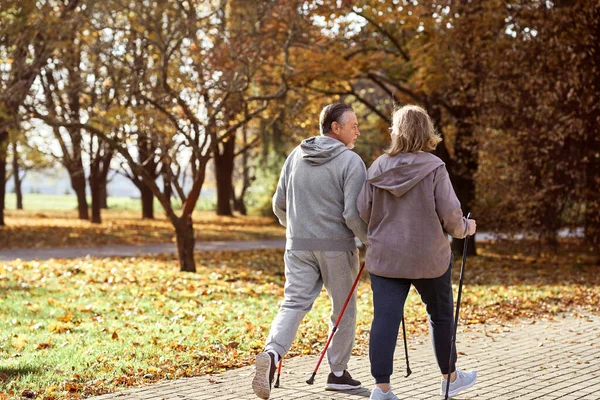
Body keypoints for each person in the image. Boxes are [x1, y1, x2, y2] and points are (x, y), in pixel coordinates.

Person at [357, 105, 478, 400]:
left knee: (385, 318)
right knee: (440, 316)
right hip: (429, 259)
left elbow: (363, 210)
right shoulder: (434, 167)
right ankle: (450, 378)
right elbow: (451, 216)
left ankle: (381, 389)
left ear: (396, 132)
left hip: (386, 258)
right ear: (427, 132)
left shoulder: (378, 167)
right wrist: (466, 228)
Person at [251, 103, 369, 399]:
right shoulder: (351, 162)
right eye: (352, 125)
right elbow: (353, 216)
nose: (358, 130)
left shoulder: (295, 156)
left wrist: (297, 231)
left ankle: (272, 353)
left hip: (297, 246)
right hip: (337, 249)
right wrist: (370, 240)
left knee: (293, 304)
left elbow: (279, 204)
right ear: (335, 128)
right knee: (343, 310)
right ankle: (338, 373)